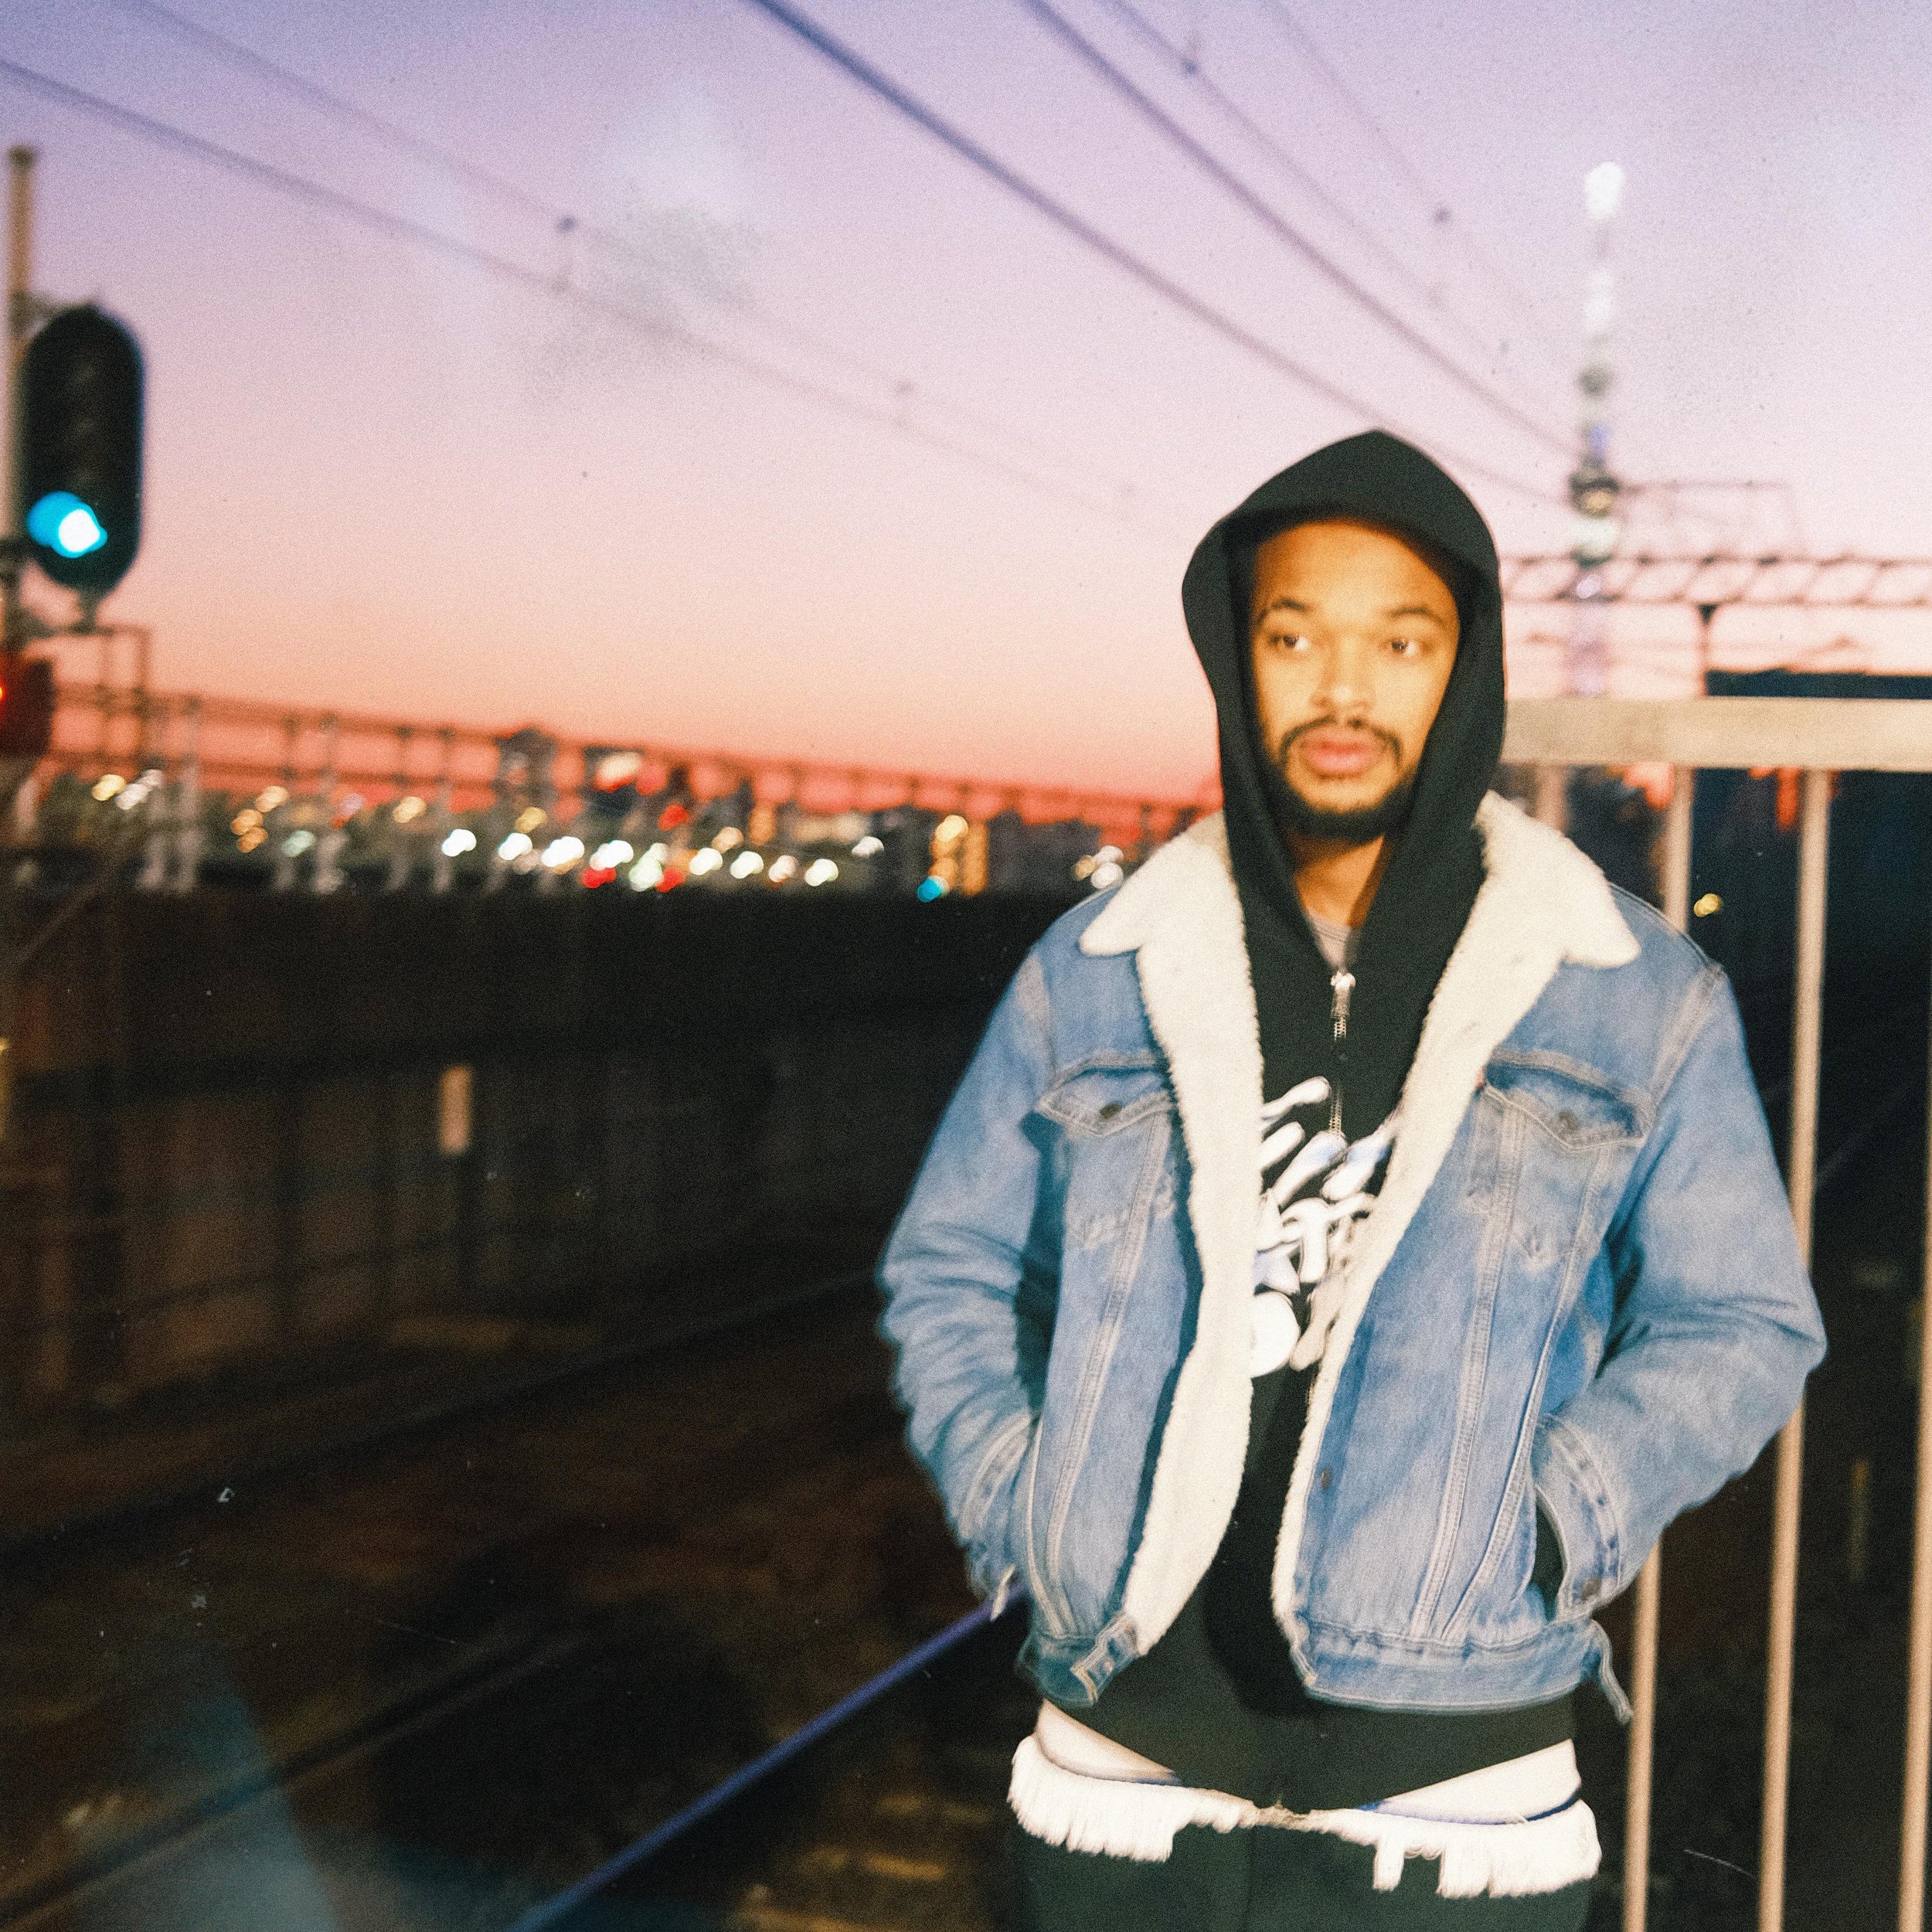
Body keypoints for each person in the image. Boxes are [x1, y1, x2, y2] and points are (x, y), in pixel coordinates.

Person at [877, 431, 1825, 1928]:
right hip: (1123, 1771)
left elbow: (1741, 1319)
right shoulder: (1095, 970)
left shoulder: (1628, 991)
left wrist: (1547, 1520)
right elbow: (950, 1268)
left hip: (1455, 1799)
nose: (1339, 686)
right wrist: (1021, 1501)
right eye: (1291, 633)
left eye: (1399, 639)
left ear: (1464, 669)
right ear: (1233, 661)